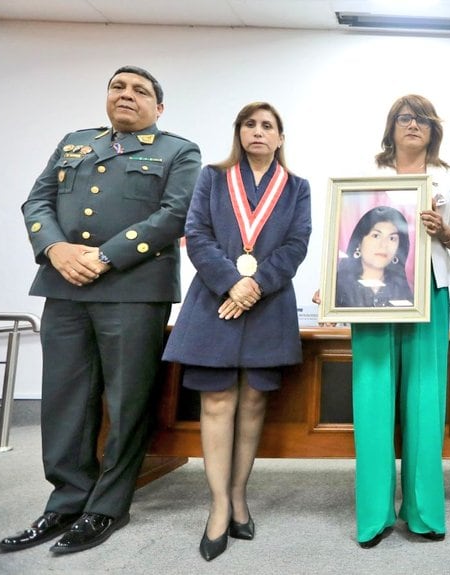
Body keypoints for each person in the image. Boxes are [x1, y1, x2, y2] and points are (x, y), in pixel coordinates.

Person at [0, 66, 201, 555]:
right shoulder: (75, 142)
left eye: (140, 91)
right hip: (64, 285)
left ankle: (107, 505)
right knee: (64, 398)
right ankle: (66, 500)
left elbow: (175, 215)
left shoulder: (178, 151)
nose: (126, 95)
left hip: (133, 289)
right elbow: (37, 202)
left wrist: (106, 256)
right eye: (118, 87)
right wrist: (55, 250)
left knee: (127, 399)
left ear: (159, 107)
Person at [162, 102, 312, 560]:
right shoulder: (212, 176)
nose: (259, 132)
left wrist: (256, 285)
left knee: (252, 403)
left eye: (268, 125)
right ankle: (219, 505)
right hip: (215, 300)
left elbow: (297, 243)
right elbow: (197, 233)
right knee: (218, 400)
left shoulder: (296, 188)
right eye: (250, 124)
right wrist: (233, 282)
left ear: (280, 137)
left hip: (267, 305)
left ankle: (240, 494)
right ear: (239, 132)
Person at [336, 94, 450, 548]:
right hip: (370, 297)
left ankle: (423, 512)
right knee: (373, 399)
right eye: (404, 118)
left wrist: (443, 231)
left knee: (425, 400)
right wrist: (333, 281)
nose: (413, 125)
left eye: (423, 120)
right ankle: (374, 517)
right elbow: (344, 232)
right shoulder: (365, 173)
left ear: (434, 129)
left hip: (428, 291)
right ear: (391, 126)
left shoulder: (449, 178)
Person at [335, 206, 414, 307]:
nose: (384, 245)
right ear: (359, 242)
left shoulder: (403, 291)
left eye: (392, 238)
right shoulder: (338, 287)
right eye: (376, 236)